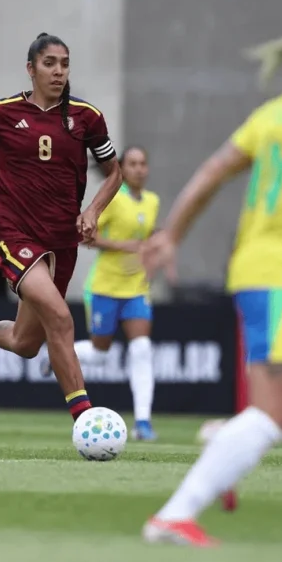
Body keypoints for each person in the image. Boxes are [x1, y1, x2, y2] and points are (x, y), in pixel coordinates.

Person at [140, 0, 282, 547]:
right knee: (276, 410)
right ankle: (173, 516)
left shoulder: (272, 115)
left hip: (272, 279)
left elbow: (211, 171)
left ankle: (231, 435)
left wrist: (171, 234)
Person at [0, 32, 123, 423]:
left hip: (63, 242)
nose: (58, 71)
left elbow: (115, 173)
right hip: (14, 234)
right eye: (49, 63)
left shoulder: (87, 118)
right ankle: (85, 418)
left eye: (64, 63)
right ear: (31, 69)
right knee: (60, 317)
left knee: (25, 343)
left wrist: (93, 211)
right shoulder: (2, 113)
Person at [68, 145, 160, 440]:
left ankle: (143, 423)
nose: (139, 169)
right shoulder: (112, 200)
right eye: (132, 163)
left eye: (143, 163)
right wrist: (125, 246)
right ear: (121, 168)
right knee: (99, 352)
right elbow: (85, 235)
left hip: (136, 289)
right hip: (105, 287)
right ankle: (57, 354)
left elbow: (147, 240)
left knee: (142, 349)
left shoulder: (152, 202)